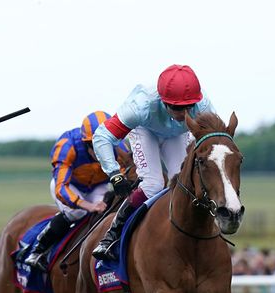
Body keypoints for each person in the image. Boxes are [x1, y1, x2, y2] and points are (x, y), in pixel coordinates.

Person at [91, 64, 216, 261]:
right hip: (145, 129)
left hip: (176, 135)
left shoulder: (203, 106)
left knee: (185, 184)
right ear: (164, 101)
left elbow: (214, 141)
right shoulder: (140, 106)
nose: (183, 114)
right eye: (176, 107)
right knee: (153, 184)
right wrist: (114, 174)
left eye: (188, 107)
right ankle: (112, 235)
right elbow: (102, 136)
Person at [24, 111, 128, 272]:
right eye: (96, 145)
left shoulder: (120, 148)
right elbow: (61, 187)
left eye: (106, 143)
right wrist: (85, 205)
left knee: (108, 211)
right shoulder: (67, 146)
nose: (102, 150)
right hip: (70, 186)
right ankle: (38, 250)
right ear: (86, 143)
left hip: (98, 186)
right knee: (76, 214)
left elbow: (125, 175)